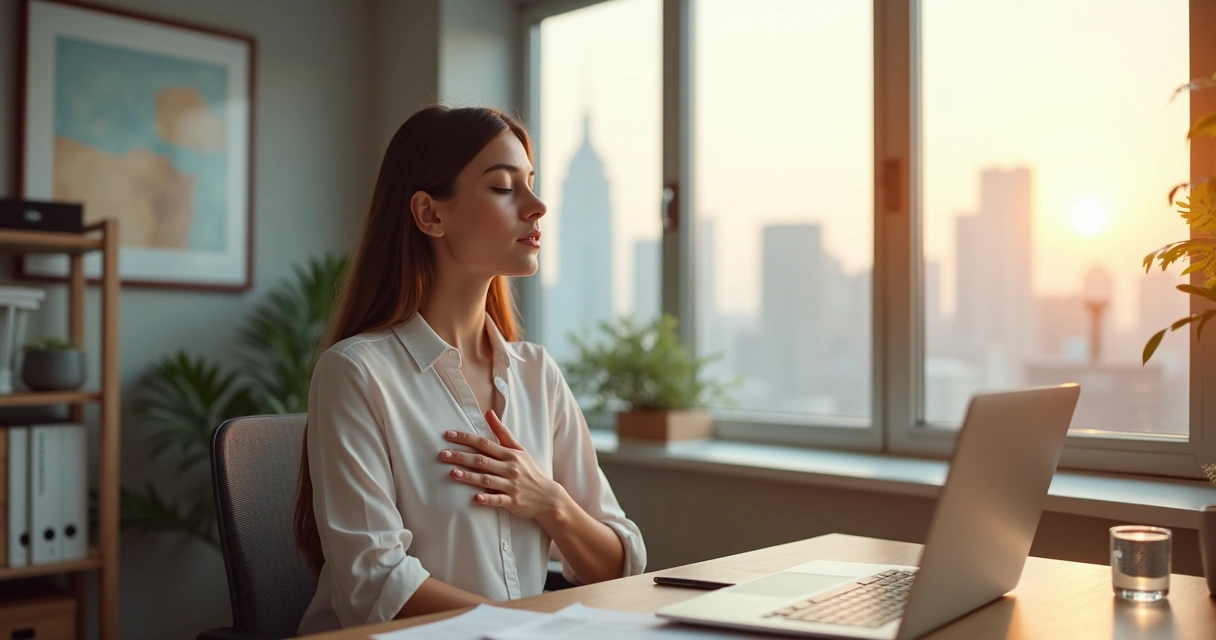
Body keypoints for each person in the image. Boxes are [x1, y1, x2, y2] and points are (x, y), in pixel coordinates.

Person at [292, 106, 646, 634]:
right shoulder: (356, 374)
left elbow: (621, 564)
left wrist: (550, 501)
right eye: (505, 188)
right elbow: (376, 582)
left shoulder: (537, 375)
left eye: (530, 183)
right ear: (430, 214)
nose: (538, 206)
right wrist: (526, 629)